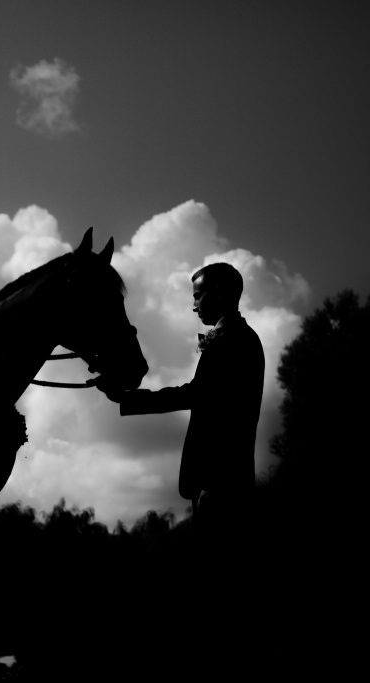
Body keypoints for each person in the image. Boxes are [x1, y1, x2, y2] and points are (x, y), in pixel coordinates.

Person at [102, 262, 264, 672]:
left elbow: (195, 395)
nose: (193, 306)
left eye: (198, 295)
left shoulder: (232, 341)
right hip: (223, 481)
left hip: (219, 483)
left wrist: (128, 398)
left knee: (217, 589)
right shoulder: (239, 338)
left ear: (221, 294)